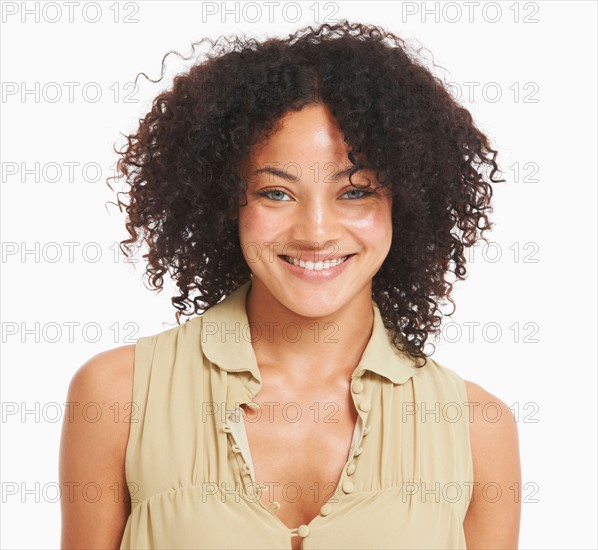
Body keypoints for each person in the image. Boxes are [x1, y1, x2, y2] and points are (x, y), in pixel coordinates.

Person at [59, 20, 521, 550]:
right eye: (276, 193)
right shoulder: (117, 396)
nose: (316, 232)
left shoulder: (478, 429)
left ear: (408, 203)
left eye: (356, 192)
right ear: (223, 203)